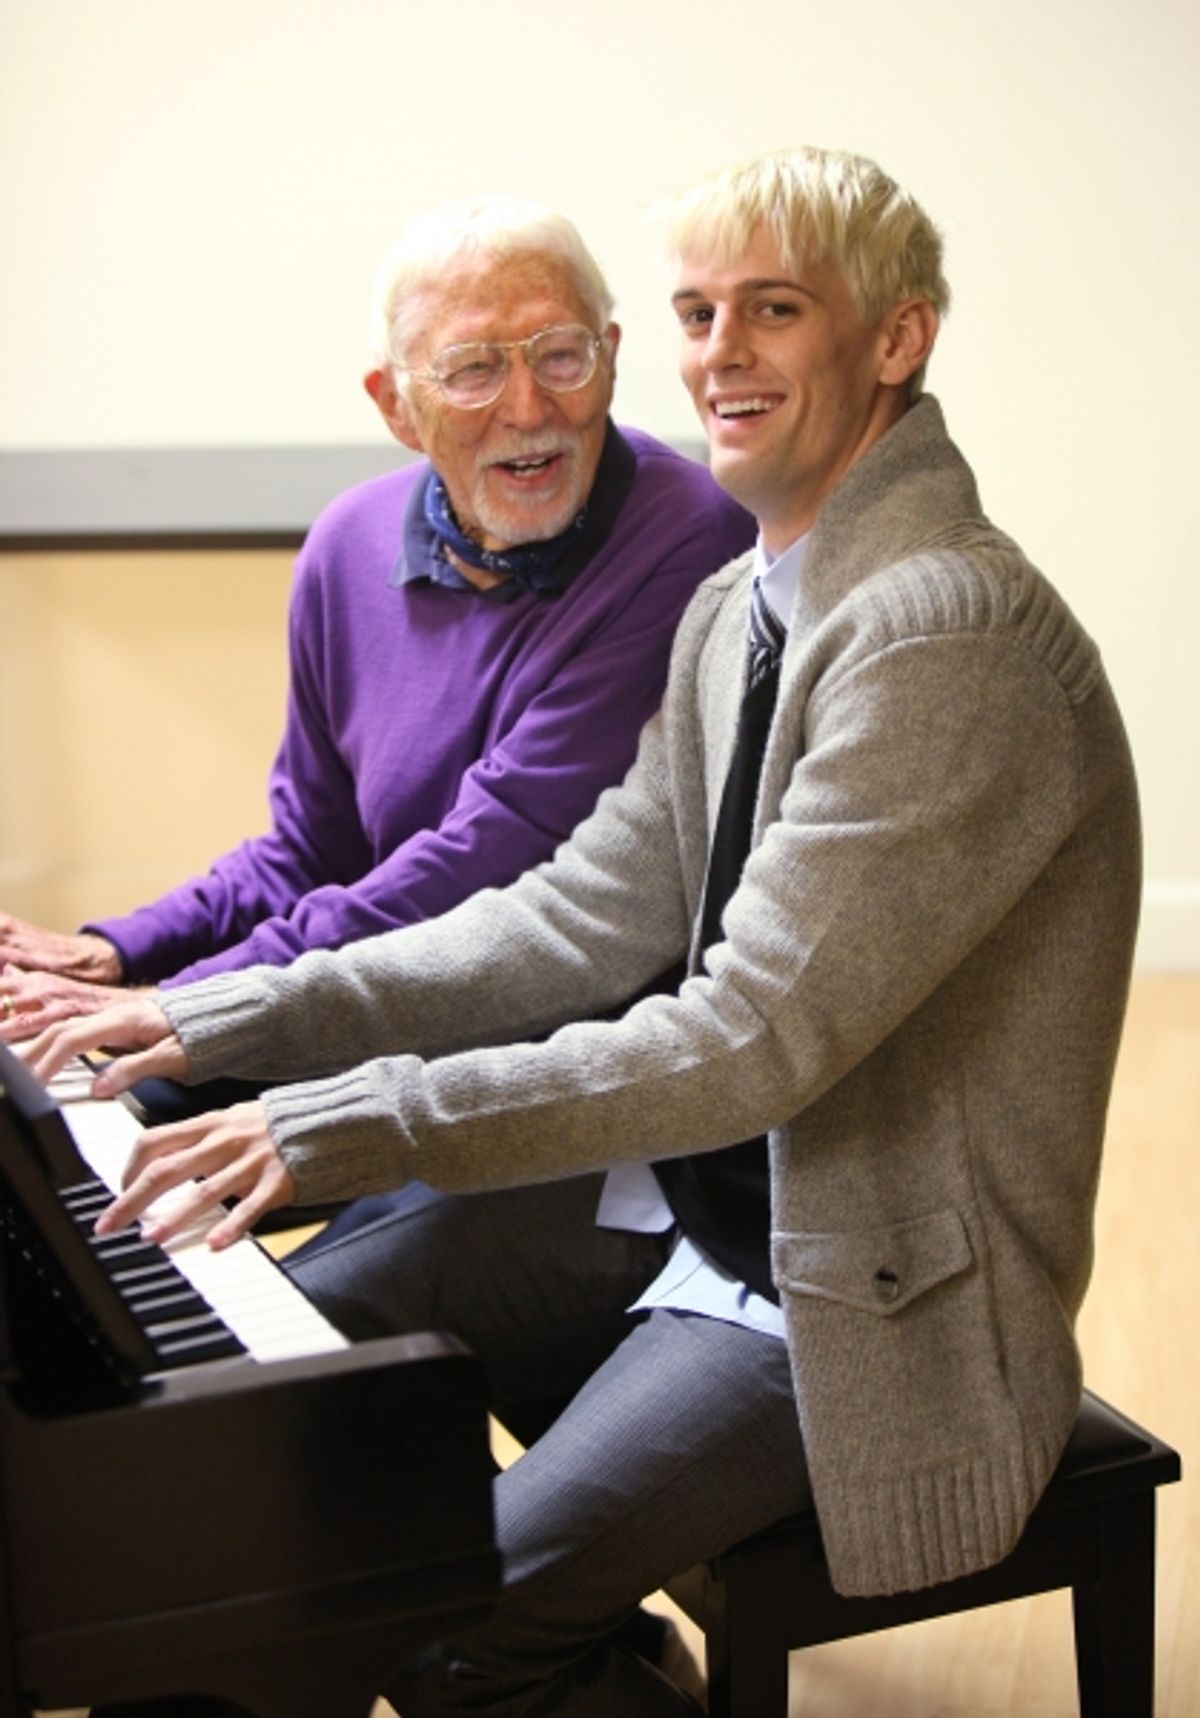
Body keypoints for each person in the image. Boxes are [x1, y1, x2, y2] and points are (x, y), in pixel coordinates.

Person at [26, 145, 1141, 1717]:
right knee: (243, 1409)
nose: (720, 354)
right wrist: (210, 1017)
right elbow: (567, 916)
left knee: (428, 1629)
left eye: (775, 309)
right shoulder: (747, 604)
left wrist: (346, 1113)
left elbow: (748, 1039)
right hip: (685, 1202)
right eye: (698, 312)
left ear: (897, 338)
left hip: (857, 1292)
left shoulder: (945, 635)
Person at [0, 196, 754, 1061]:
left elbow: (488, 859)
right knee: (73, 1092)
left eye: (559, 356)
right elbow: (310, 850)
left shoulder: (694, 533)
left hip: (560, 1058)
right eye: (471, 369)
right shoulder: (347, 545)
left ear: (609, 360)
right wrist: (116, 952)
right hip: (369, 1006)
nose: (527, 407)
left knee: (150, 1090)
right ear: (395, 405)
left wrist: (181, 1004)